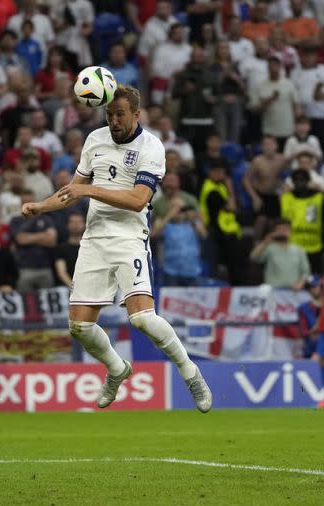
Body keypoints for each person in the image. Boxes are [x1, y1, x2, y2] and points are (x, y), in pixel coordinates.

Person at [22, 85, 212, 413]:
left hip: (129, 239)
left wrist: (90, 190)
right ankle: (116, 368)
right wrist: (42, 206)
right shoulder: (95, 140)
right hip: (95, 239)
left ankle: (191, 373)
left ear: (136, 114)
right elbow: (74, 190)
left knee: (142, 319)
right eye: (109, 114)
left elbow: (139, 199)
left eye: (120, 114)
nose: (114, 121)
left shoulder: (151, 146)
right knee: (79, 326)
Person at [152, 196, 207, 286]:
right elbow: (153, 235)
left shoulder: (192, 223)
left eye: (181, 208)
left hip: (192, 272)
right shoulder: (164, 223)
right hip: (171, 273)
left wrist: (192, 217)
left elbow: (204, 234)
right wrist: (169, 215)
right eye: (175, 208)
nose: (179, 211)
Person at [281, 169, 324, 273]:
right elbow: (286, 219)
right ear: (293, 182)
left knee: (315, 275)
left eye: (303, 180)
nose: (300, 183)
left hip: (315, 244)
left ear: (308, 181)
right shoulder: (287, 198)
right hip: (294, 245)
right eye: (297, 180)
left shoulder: (319, 197)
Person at [250, 219, 311, 288]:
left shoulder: (299, 250)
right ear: (274, 231)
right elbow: (253, 257)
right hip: (273, 290)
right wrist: (265, 242)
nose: (282, 231)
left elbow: (306, 272)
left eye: (285, 229)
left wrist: (301, 283)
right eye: (279, 229)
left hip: (294, 292)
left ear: (291, 231)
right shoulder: (269, 248)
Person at [53, 213, 85, 288]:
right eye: (72, 222)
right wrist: (74, 288)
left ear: (84, 224)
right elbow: (62, 273)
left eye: (79, 222)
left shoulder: (91, 247)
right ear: (67, 225)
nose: (76, 225)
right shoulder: (61, 248)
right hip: (68, 289)